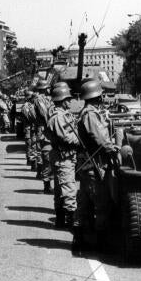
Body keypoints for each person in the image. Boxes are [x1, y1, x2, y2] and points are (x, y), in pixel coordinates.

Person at [75, 80, 119, 255]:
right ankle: (101, 244)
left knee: (85, 203)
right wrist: (112, 148)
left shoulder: (87, 112)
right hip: (93, 164)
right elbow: (99, 137)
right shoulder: (91, 114)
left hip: (87, 164)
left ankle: (80, 240)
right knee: (101, 203)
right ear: (96, 96)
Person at [47, 86, 80, 229]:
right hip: (63, 157)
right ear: (62, 100)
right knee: (69, 190)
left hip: (63, 156)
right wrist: (80, 139)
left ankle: (60, 221)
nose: (70, 101)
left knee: (60, 190)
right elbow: (65, 137)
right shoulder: (58, 117)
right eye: (68, 99)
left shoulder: (62, 114)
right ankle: (72, 223)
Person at [33, 79, 53, 193]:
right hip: (45, 131)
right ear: (45, 88)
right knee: (47, 157)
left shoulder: (45, 99)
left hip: (47, 130)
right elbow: (45, 114)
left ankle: (49, 182)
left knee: (50, 157)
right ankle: (46, 185)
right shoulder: (39, 99)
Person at [21, 90, 37, 168]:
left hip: (32, 128)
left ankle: (33, 161)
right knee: (29, 144)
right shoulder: (26, 106)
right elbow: (28, 117)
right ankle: (30, 161)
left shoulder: (31, 105)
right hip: (28, 128)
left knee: (33, 145)